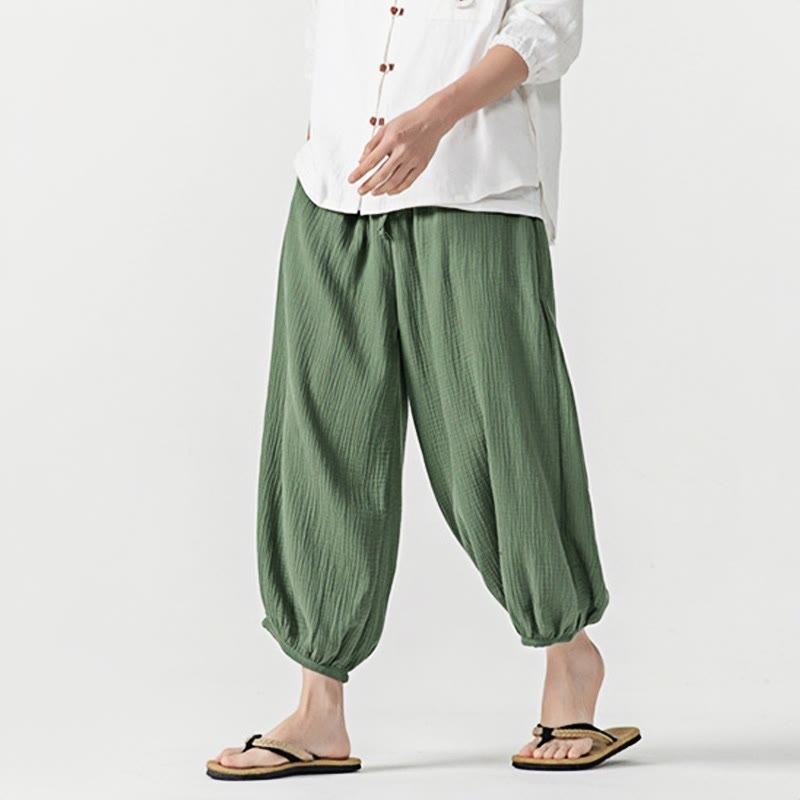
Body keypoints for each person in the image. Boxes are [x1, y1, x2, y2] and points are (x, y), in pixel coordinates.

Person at [206, 0, 640, 780]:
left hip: (472, 186)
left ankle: (569, 655)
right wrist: (323, 138)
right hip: (335, 192)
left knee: (499, 438)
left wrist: (435, 117)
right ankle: (318, 708)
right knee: (323, 440)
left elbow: (546, 27)